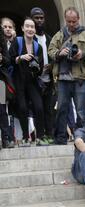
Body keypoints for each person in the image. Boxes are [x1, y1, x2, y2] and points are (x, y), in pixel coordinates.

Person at [48, 7, 85, 145]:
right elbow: (50, 51)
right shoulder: (59, 35)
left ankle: (81, 138)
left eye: (74, 21)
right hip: (63, 78)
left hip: (80, 78)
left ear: (78, 20)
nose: (71, 24)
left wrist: (83, 54)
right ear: (65, 20)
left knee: (81, 111)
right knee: (61, 109)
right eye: (69, 21)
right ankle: (61, 138)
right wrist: (60, 53)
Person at [9, 18, 47, 147]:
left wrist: (36, 65)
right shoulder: (17, 42)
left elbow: (40, 68)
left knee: (39, 107)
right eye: (28, 26)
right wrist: (20, 58)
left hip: (32, 80)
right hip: (18, 80)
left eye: (32, 27)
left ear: (35, 30)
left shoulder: (38, 47)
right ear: (22, 28)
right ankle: (25, 137)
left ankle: (40, 137)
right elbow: (9, 60)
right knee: (23, 107)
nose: (30, 29)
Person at [31, 7, 55, 144]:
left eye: (41, 18)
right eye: (36, 18)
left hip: (49, 78)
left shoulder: (50, 38)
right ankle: (40, 135)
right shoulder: (30, 38)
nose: (39, 20)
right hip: (35, 79)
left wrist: (51, 66)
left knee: (48, 108)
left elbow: (53, 56)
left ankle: (49, 134)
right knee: (38, 108)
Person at [0, 24, 14, 148]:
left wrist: (1, 58)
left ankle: (5, 139)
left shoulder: (1, 38)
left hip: (0, 79)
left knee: (2, 108)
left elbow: (8, 60)